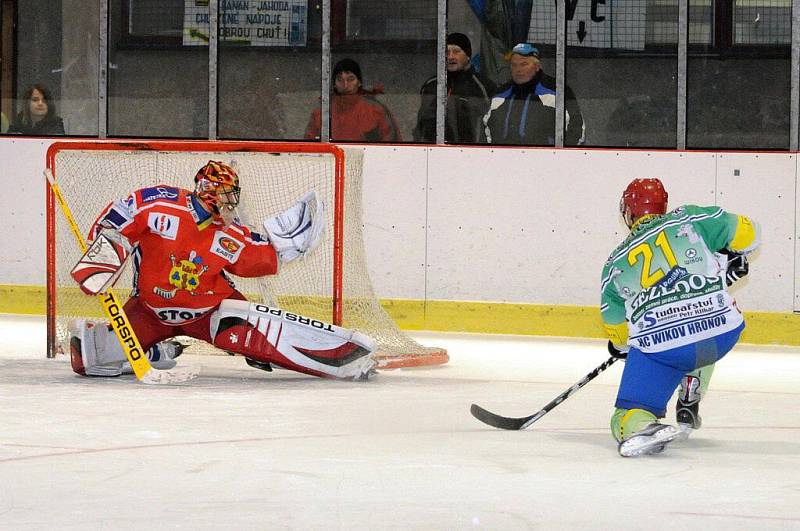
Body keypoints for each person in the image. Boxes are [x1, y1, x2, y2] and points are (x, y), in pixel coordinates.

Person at [69, 161, 376, 380]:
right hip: (150, 311)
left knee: (262, 340)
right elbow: (120, 215)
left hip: (212, 312)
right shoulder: (160, 206)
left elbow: (255, 258)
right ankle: (155, 352)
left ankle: (342, 359)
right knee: (88, 359)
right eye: (228, 195)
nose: (233, 203)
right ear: (208, 193)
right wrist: (106, 246)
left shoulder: (230, 233)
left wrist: (285, 246)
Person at [601, 178, 760, 457]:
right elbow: (750, 233)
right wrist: (732, 255)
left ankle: (641, 424)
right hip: (722, 333)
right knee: (701, 334)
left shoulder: (615, 263)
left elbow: (614, 326)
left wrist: (623, 348)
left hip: (664, 347)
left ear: (628, 213)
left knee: (626, 413)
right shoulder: (691, 219)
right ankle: (692, 385)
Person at [482, 43, 584, 146]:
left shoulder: (557, 91)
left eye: (524, 64)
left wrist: (559, 157)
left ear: (537, 66)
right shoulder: (500, 94)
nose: (518, 69)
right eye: (514, 65)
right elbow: (486, 129)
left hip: (546, 159)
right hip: (502, 159)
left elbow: (576, 129)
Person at [413, 33, 497, 144]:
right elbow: (421, 123)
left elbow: (492, 125)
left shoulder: (484, 86)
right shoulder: (431, 85)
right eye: (447, 52)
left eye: (456, 51)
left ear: (468, 55)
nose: (451, 56)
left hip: (471, 153)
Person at [305, 58, 402, 142]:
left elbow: (392, 143)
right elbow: (309, 142)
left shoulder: (376, 110)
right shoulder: (322, 113)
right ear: (334, 84)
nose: (345, 84)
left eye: (350, 79)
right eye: (340, 79)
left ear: (359, 82)